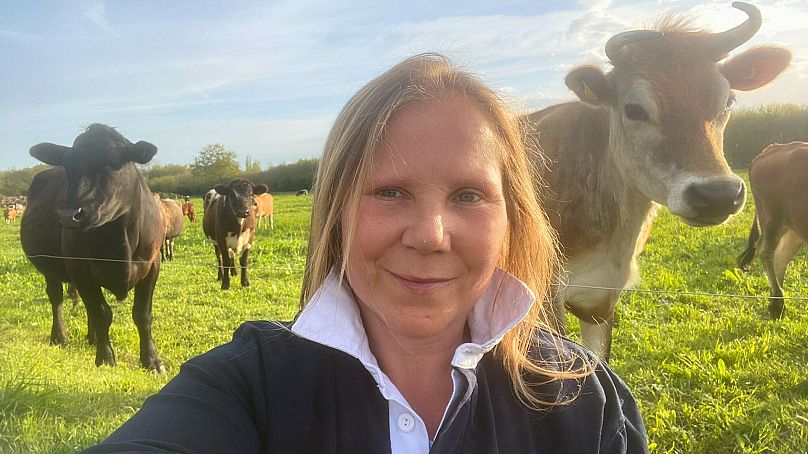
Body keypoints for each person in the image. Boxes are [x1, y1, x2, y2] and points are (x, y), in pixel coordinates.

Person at [85, 54, 648, 453]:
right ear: (336, 210)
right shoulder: (246, 387)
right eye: (390, 192)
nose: (430, 236)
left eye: (469, 195)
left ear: (512, 218)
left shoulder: (588, 404)